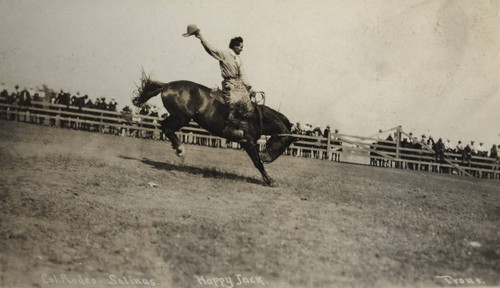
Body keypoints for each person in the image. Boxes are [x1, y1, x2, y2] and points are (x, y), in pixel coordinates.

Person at [186, 24, 256, 142]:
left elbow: (242, 74)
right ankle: (230, 129)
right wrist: (201, 38)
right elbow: (211, 49)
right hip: (229, 84)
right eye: (241, 47)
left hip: (239, 84)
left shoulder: (238, 59)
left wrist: (249, 88)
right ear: (235, 46)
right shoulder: (224, 54)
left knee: (248, 106)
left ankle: (242, 130)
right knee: (234, 104)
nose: (242, 49)